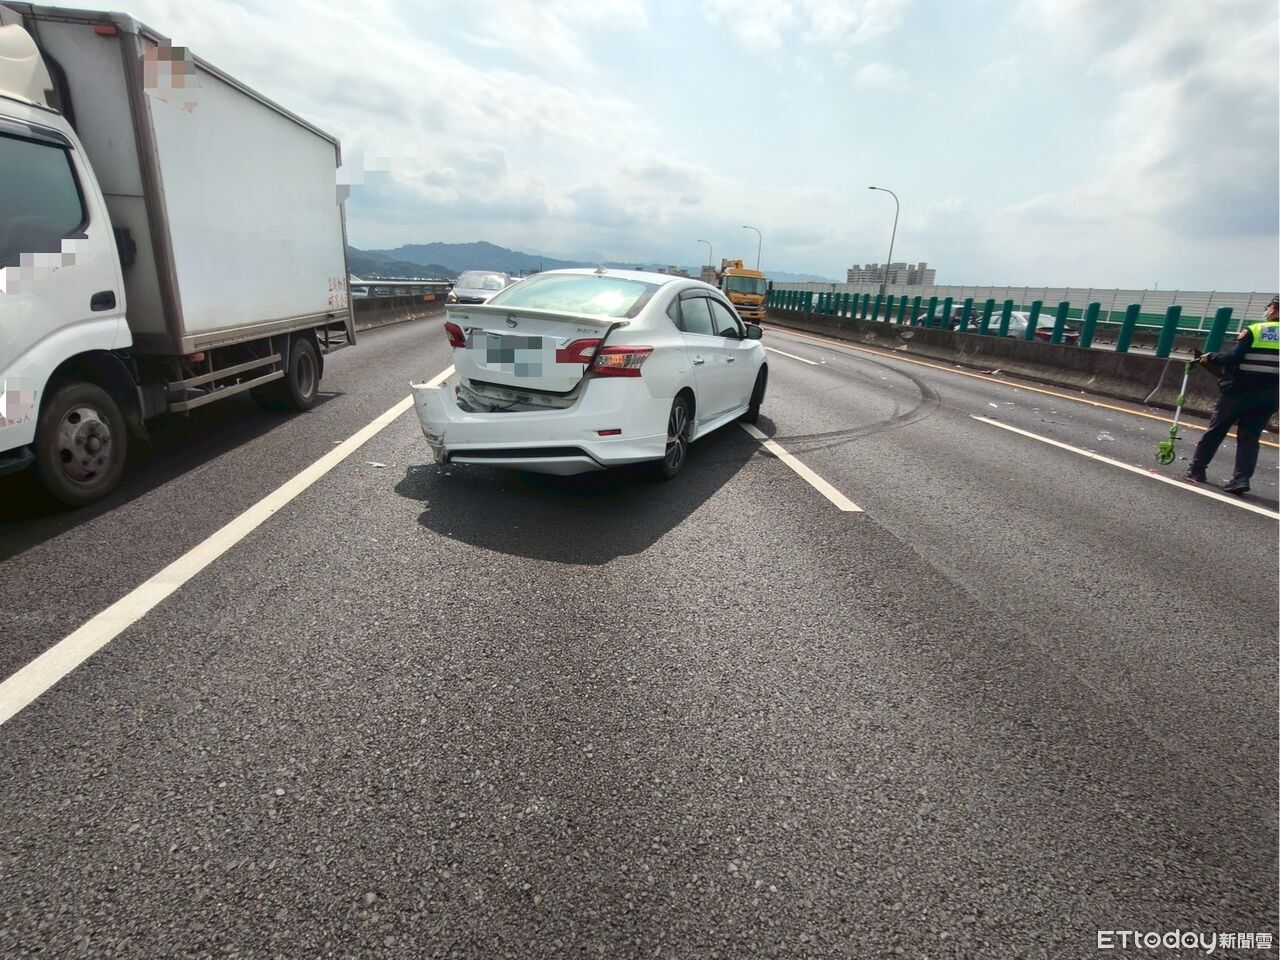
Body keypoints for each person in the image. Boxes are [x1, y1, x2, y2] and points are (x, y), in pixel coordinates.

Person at [1185, 295, 1279, 494]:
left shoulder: (1256, 330)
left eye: (1269, 306)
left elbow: (1233, 357)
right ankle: (1241, 480)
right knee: (1249, 437)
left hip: (1240, 391)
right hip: (1270, 396)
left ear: (1274, 309)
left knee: (1216, 430)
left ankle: (1196, 470)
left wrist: (1211, 356)